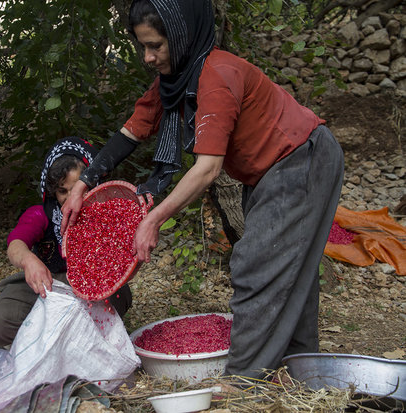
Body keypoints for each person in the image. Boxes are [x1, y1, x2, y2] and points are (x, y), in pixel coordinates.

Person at [61, 0, 344, 379]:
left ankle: (245, 381)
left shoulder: (216, 75)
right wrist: (83, 182)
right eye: (143, 46)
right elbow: (133, 130)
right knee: (290, 269)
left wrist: (154, 218)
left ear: (181, 37)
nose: (148, 56)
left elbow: (207, 169)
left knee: (255, 264)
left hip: (300, 161)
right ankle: (300, 368)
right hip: (267, 173)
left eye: (156, 46)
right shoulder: (176, 82)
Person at [0, 137, 133, 348]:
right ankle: (64, 337)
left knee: (119, 294)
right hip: (46, 286)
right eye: (63, 191)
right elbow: (16, 244)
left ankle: (62, 338)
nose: (71, 198)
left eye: (80, 187)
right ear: (52, 190)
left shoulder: (106, 212)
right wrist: (29, 261)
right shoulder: (40, 214)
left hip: (91, 288)